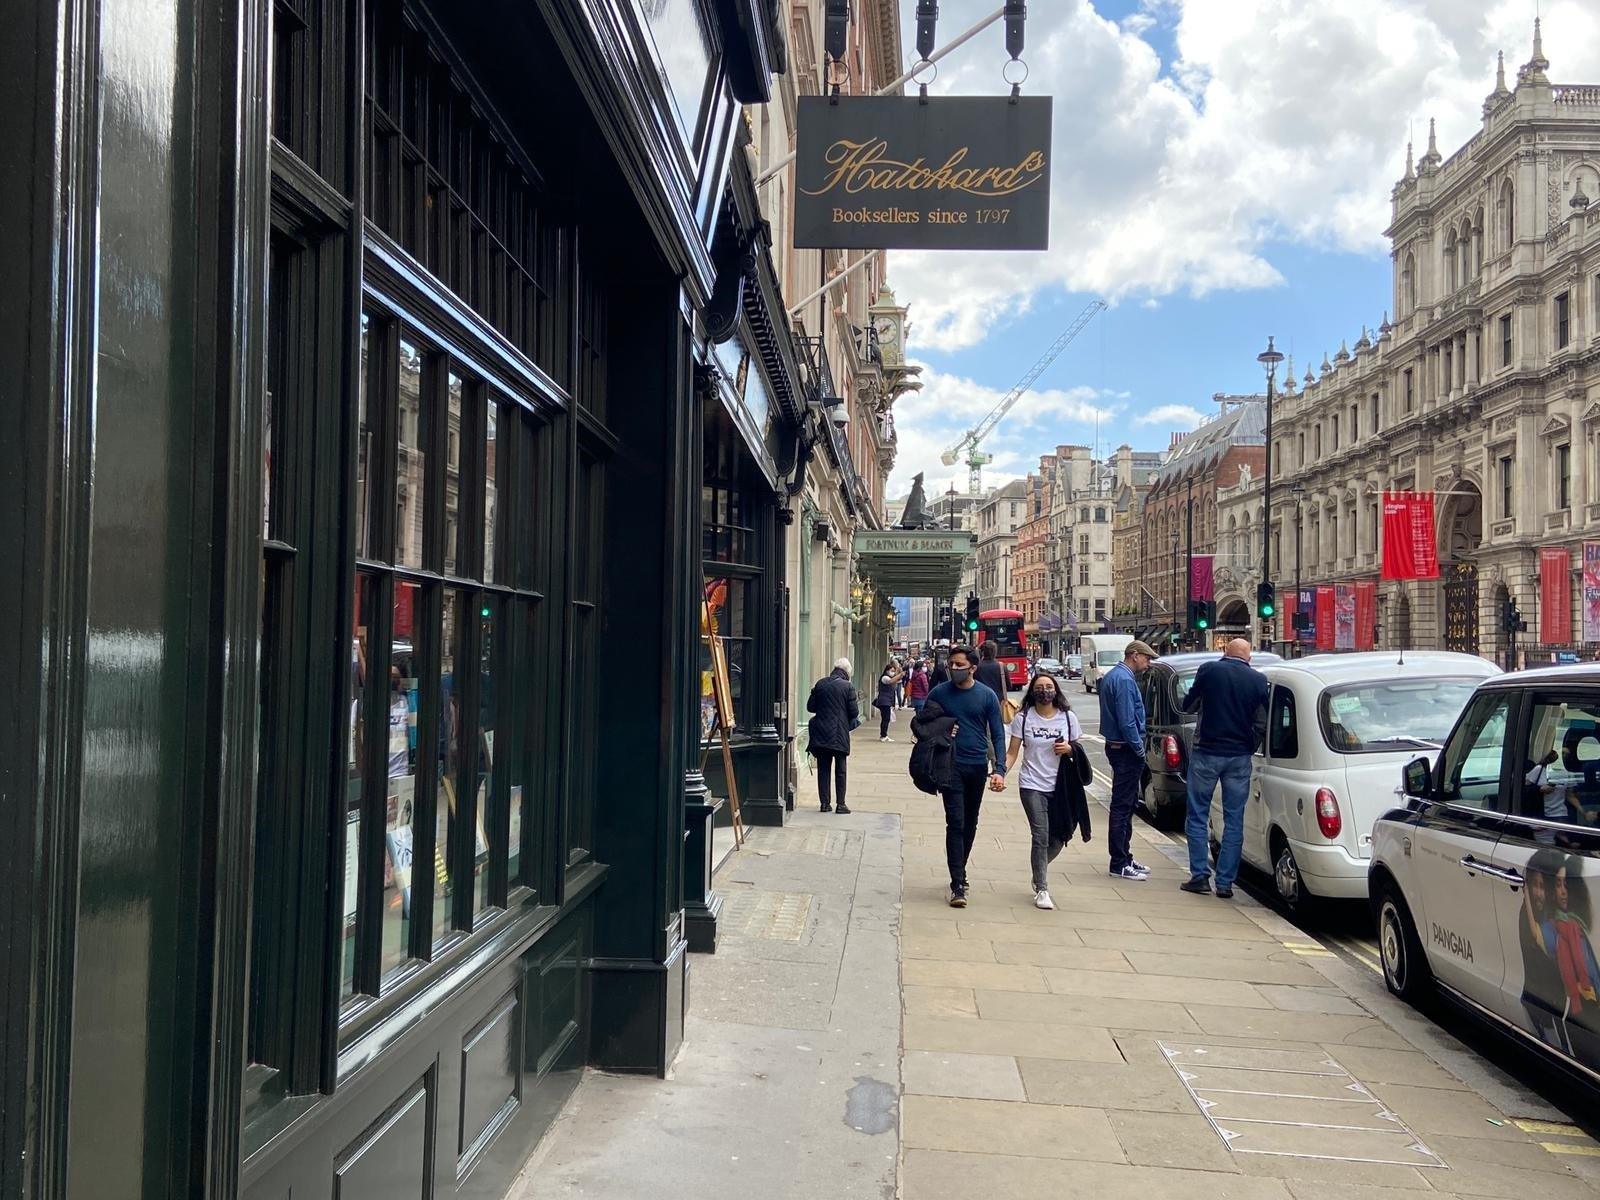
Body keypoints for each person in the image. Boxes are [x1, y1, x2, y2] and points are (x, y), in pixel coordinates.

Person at [1178, 638, 1271, 898]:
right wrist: (1248, 745)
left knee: (1197, 814)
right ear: (1248, 658)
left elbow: (1189, 704)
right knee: (1234, 819)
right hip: (1239, 756)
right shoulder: (1257, 680)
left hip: (1207, 751)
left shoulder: (1209, 670)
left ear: (1224, 652)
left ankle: (1199, 876)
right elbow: (1261, 721)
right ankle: (1226, 883)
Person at [917, 645, 1007, 907]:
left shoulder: (987, 696)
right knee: (955, 821)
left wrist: (999, 768)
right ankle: (958, 881)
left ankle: (960, 868)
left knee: (970, 822)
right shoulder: (940, 693)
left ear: (973, 668)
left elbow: (998, 733)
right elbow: (921, 724)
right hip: (950, 765)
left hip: (977, 766)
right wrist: (943, 728)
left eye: (959, 665)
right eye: (951, 665)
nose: (954, 669)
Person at [1003, 671, 1081, 909]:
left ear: (1055, 690)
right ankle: (1042, 888)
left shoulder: (1068, 718)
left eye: (1049, 686)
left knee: (1060, 837)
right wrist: (1000, 772)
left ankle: (1039, 869)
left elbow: (1078, 749)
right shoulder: (1024, 718)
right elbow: (1013, 752)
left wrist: (1069, 748)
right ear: (1033, 691)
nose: (1045, 690)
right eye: (1040, 686)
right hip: (1031, 784)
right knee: (1040, 835)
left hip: (1061, 787)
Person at [1097, 640, 1157, 880]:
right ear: (1134, 655)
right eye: (1147, 658)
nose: (1148, 662)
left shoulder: (1117, 676)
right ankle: (1119, 862)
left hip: (1120, 748)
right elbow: (1127, 720)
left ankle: (1125, 857)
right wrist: (1139, 749)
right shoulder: (1122, 680)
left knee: (1129, 803)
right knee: (1122, 807)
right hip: (1125, 750)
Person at [806, 658, 858, 814]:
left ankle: (824, 803)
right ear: (847, 672)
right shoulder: (848, 687)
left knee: (823, 768)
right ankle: (841, 804)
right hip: (839, 733)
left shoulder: (820, 684)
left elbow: (810, 707)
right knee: (840, 770)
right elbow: (854, 712)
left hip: (821, 732)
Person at [873, 660, 903, 741]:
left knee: (886, 718)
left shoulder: (889, 677)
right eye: (892, 671)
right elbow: (891, 681)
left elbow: (895, 680)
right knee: (885, 718)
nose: (893, 673)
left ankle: (884, 734)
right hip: (884, 701)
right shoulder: (884, 677)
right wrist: (900, 674)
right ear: (887, 670)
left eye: (894, 671)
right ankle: (883, 735)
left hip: (887, 701)